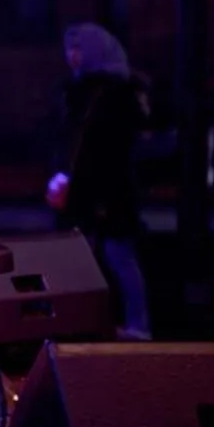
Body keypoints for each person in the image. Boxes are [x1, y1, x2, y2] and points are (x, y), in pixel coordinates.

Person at [46, 23, 152, 339]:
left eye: (78, 49)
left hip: (109, 187)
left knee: (118, 255)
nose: (72, 56)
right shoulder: (78, 92)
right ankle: (85, 321)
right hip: (83, 187)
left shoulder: (116, 93)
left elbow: (110, 146)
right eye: (69, 49)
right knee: (85, 257)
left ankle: (137, 323)